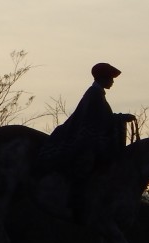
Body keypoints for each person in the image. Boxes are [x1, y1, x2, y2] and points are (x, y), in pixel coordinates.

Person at [40, 62, 135, 223]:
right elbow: (96, 119)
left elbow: (100, 118)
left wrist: (119, 117)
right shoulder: (94, 95)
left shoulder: (96, 94)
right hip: (83, 141)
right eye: (110, 78)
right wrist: (120, 118)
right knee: (86, 167)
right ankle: (77, 203)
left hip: (86, 137)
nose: (112, 82)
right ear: (103, 78)